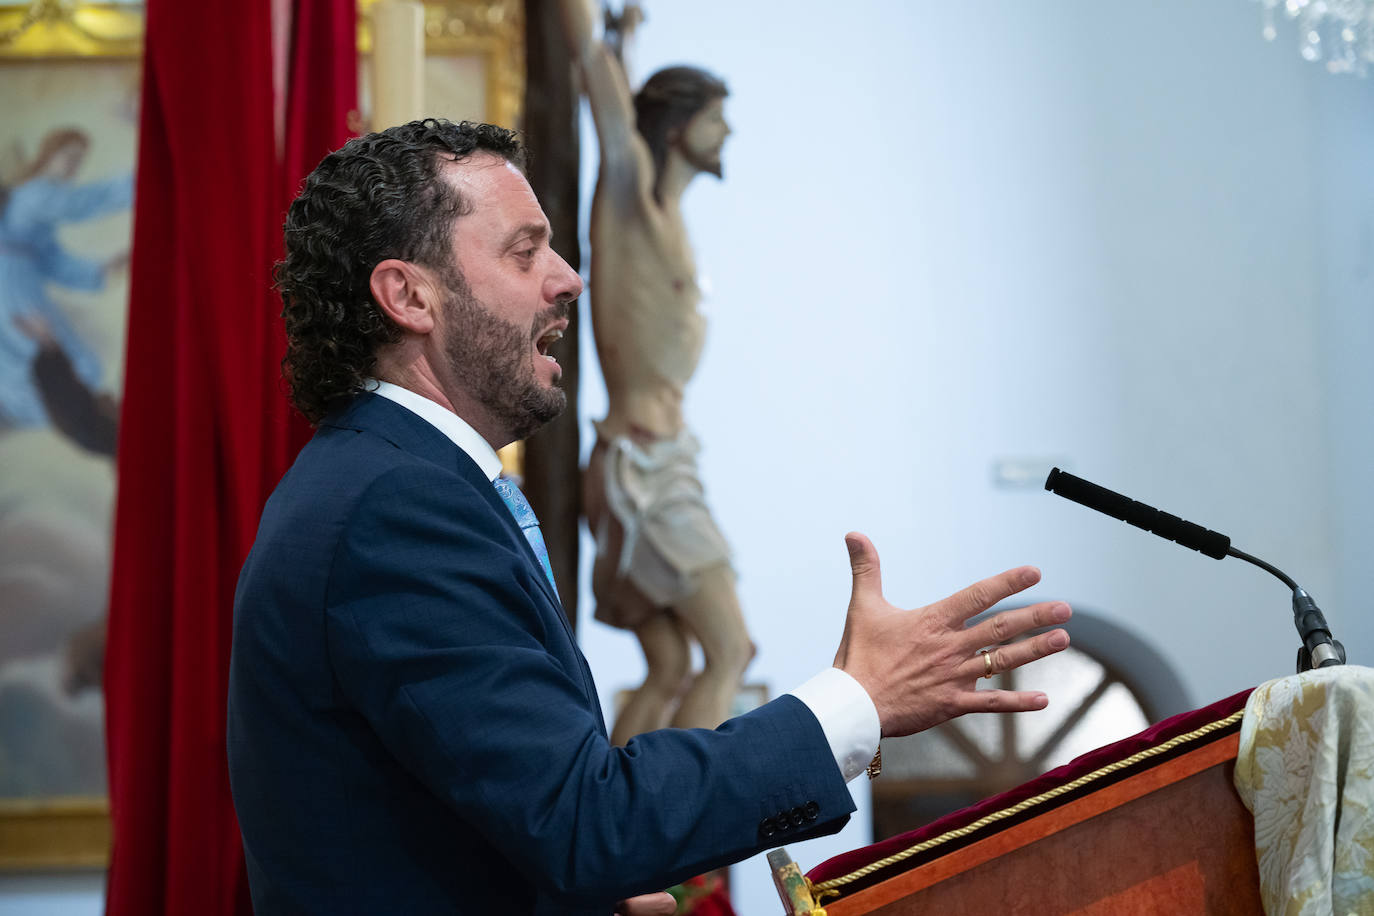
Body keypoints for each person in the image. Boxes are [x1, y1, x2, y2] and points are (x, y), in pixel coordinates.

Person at [226, 118, 1072, 915]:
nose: (569, 279)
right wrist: (857, 702)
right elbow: (588, 820)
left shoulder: (383, 479)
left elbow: (486, 812)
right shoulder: (398, 506)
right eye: (527, 253)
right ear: (410, 295)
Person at [560, 0, 754, 745]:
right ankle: (686, 825)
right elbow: (596, 82)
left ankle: (620, 830)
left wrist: (626, 39)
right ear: (678, 129)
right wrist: (598, 36)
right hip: (643, 472)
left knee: (670, 667)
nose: (728, 131)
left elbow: (618, 84)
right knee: (732, 650)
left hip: (660, 460)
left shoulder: (665, 215)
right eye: (715, 117)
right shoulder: (631, 196)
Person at [0, 127, 131, 430]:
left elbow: (49, 259)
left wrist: (98, 272)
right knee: (45, 349)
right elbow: (80, 203)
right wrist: (138, 182)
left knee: (35, 351)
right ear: (49, 154)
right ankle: (74, 414)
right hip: (11, 285)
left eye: (79, 160)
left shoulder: (30, 198)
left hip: (18, 280)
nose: (74, 166)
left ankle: (70, 413)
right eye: (69, 157)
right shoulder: (36, 193)